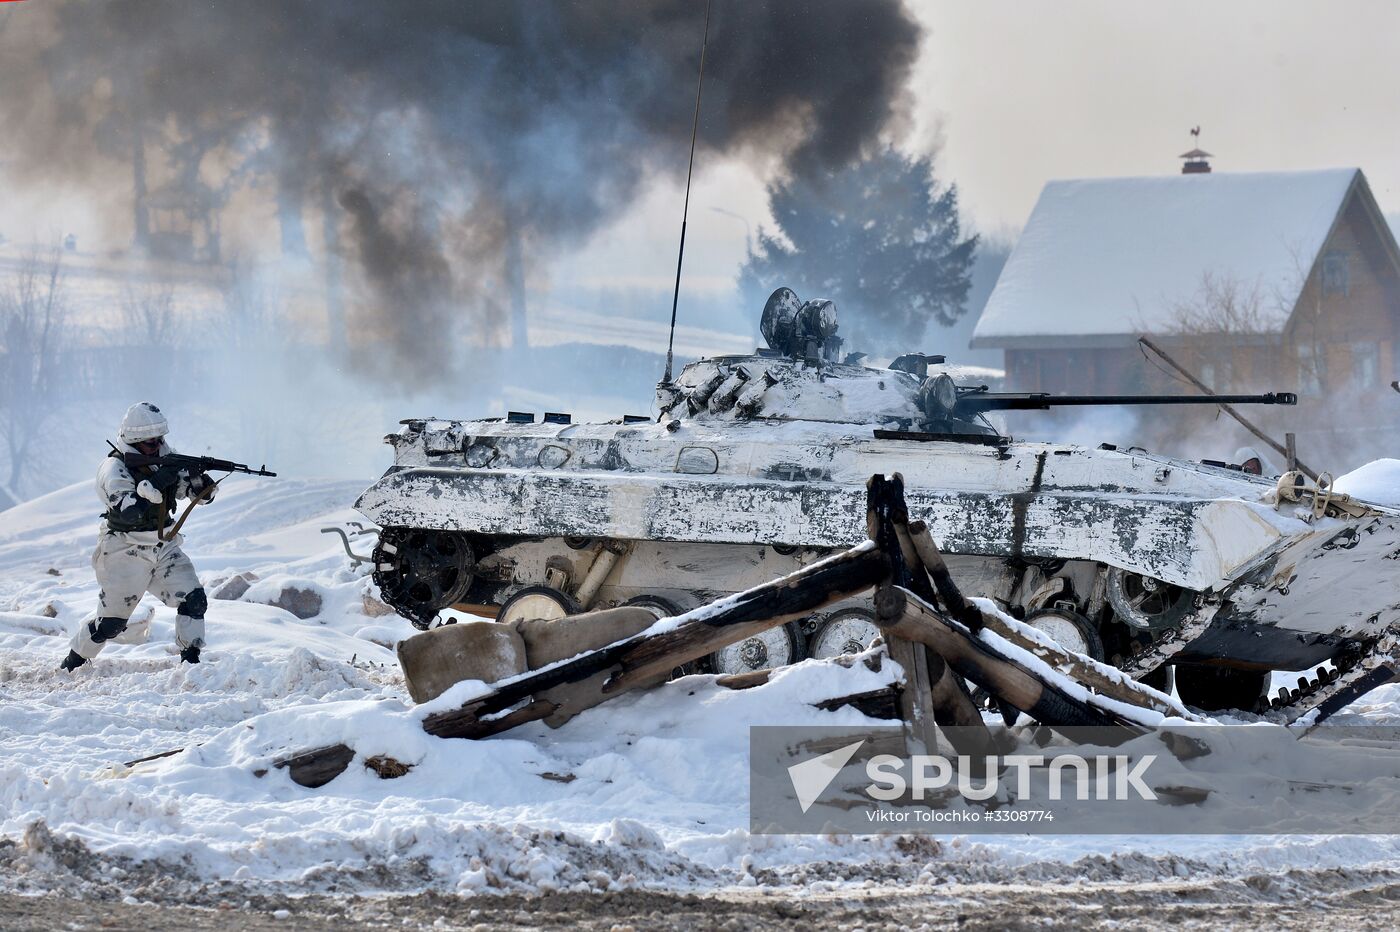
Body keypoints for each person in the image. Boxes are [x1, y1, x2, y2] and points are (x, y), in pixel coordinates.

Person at [61, 402, 217, 671]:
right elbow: (129, 511)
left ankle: (192, 664)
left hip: (163, 545)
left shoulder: (163, 458)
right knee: (111, 624)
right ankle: (72, 663)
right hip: (124, 550)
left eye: (159, 440)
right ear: (134, 442)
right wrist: (157, 482)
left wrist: (198, 483)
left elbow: (193, 496)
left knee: (194, 600)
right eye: (149, 442)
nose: (156, 445)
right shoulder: (114, 468)